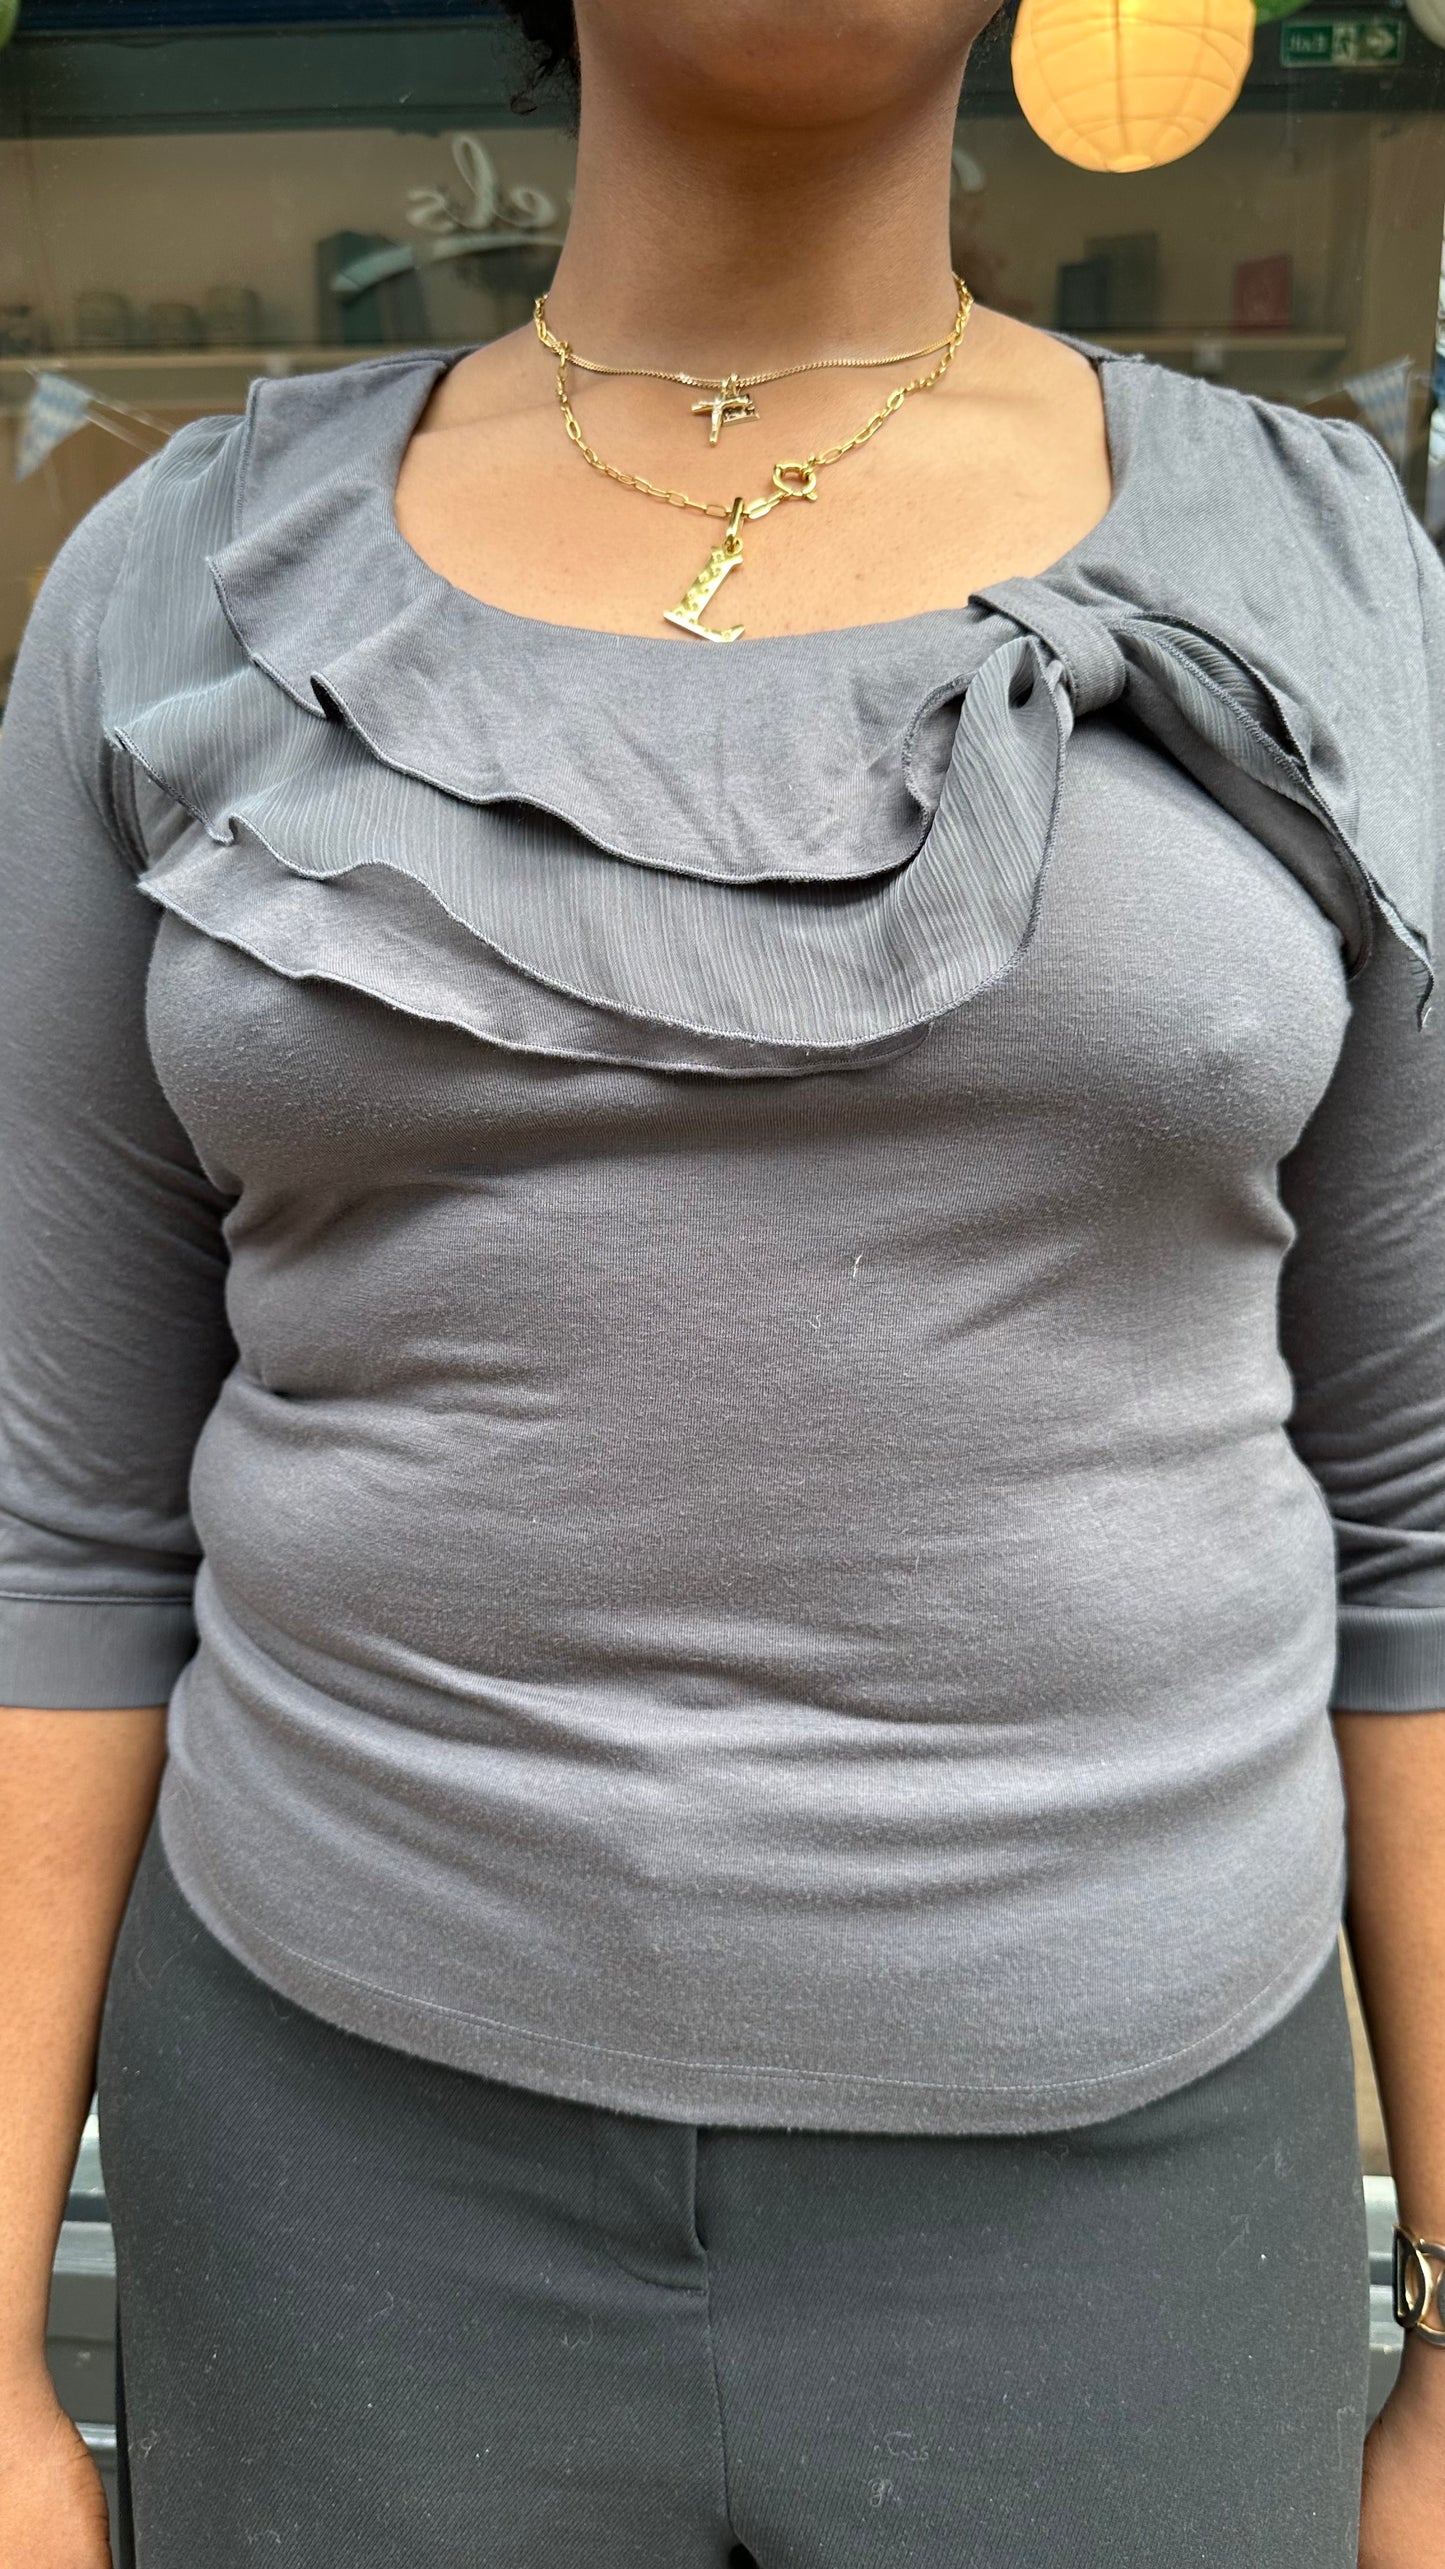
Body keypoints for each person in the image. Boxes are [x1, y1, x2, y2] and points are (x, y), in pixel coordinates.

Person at [2, 2, 1444, 2561]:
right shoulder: (169, 578)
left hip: (1126, 2202)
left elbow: (1424, 1513)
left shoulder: (1332, 569)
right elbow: (57, 1523)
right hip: (333, 2179)